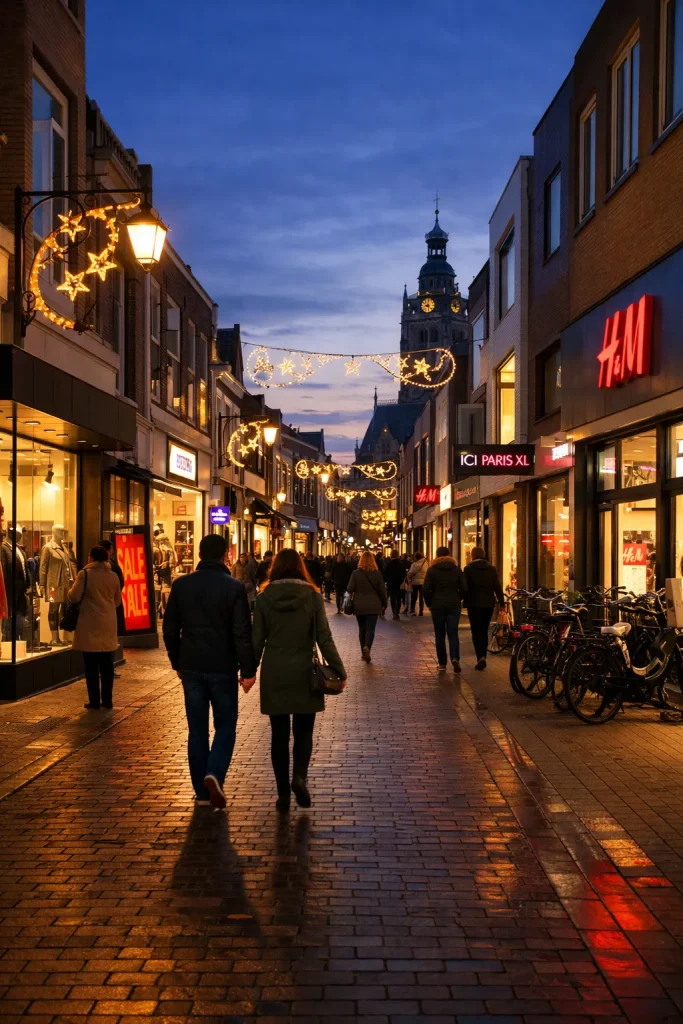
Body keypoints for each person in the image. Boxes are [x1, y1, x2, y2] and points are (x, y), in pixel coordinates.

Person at [163, 534, 256, 809]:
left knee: (197, 731)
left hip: (191, 666)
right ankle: (214, 772)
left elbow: (169, 629)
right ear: (225, 555)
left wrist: (176, 661)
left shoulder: (181, 586)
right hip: (223, 667)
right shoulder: (234, 588)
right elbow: (241, 632)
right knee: (225, 726)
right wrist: (248, 670)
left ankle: (202, 794)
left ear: (201, 554)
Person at [249, 548, 346, 811]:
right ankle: (299, 778)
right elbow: (323, 638)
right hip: (305, 671)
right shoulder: (312, 597)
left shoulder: (265, 597)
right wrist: (339, 670)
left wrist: (248, 671)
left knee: (278, 735)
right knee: (303, 731)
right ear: (301, 568)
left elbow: (256, 640)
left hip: (275, 671)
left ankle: (282, 794)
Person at [68, 545, 122, 711]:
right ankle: (107, 700)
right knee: (107, 666)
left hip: (89, 624)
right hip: (108, 623)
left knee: (91, 666)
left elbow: (74, 596)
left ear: (91, 557)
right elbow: (117, 601)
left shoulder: (84, 574)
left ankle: (94, 701)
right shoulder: (113, 576)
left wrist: (68, 590)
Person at [423, 546, 468, 673]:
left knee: (439, 635)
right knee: (453, 633)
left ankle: (442, 663)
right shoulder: (456, 569)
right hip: (453, 605)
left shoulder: (432, 570)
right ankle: (455, 657)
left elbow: (426, 589)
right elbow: (464, 588)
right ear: (449, 555)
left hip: (437, 605)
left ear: (437, 556)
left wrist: (430, 602)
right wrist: (458, 599)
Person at [463, 546, 505, 670]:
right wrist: (502, 603)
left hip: (473, 604)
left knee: (476, 631)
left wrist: (461, 599)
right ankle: (483, 656)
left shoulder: (468, 569)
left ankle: (480, 656)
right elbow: (497, 587)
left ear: (472, 556)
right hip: (488, 604)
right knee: (484, 629)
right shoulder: (491, 569)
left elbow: (464, 587)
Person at [347, 550, 387, 662]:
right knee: (370, 629)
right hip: (374, 605)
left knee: (362, 629)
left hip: (359, 605)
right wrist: (385, 603)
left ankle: (363, 652)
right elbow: (382, 591)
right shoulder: (377, 574)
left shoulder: (356, 573)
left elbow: (350, 589)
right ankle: (367, 647)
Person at [384, 549, 406, 620]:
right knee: (399, 598)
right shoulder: (401, 563)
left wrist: (386, 581)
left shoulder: (389, 564)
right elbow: (404, 573)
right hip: (399, 583)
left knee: (393, 598)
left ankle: (394, 612)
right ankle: (397, 611)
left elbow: (385, 573)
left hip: (391, 583)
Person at [407, 550, 429, 615]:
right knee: (421, 598)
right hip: (423, 582)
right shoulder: (425, 563)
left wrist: (409, 576)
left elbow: (410, 573)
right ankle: (421, 611)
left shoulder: (414, 564)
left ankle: (412, 610)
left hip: (415, 582)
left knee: (414, 597)